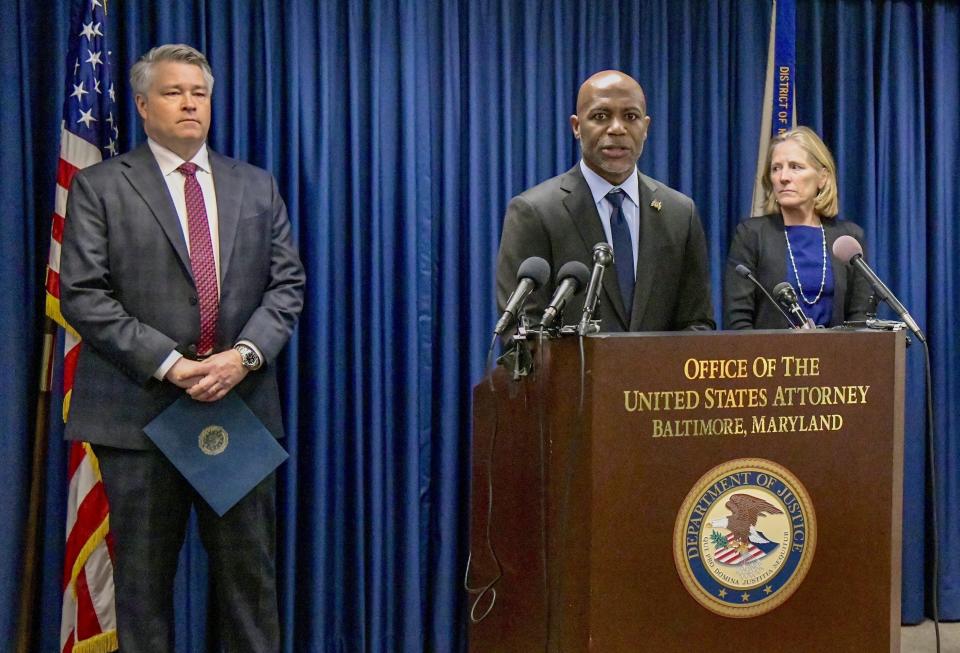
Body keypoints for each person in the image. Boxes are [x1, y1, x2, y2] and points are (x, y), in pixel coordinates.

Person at [59, 44, 305, 652]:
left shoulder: (255, 184)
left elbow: (287, 285)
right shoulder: (99, 186)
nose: (190, 102)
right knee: (143, 591)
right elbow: (83, 295)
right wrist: (173, 365)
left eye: (199, 92)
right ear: (142, 106)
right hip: (138, 418)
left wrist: (241, 356)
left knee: (250, 584)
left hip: (237, 408)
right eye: (173, 92)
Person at [495, 70, 714, 333]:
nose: (617, 128)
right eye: (601, 116)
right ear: (576, 126)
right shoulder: (535, 211)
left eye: (630, 117)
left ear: (645, 127)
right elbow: (521, 330)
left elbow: (697, 322)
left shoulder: (679, 213)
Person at [724, 126, 871, 329]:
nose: (783, 177)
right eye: (776, 168)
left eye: (795, 167)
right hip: (768, 359)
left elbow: (860, 319)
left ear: (823, 177)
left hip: (837, 357)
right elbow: (738, 322)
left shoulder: (848, 239)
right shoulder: (751, 234)